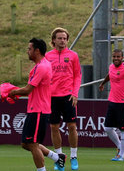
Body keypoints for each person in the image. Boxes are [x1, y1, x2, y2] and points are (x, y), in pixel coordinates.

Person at [9, 38, 66, 171]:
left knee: (33, 143)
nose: (27, 51)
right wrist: (15, 92)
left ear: (37, 50)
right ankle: (58, 157)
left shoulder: (42, 67)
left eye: (29, 49)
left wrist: (12, 92)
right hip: (37, 109)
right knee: (25, 143)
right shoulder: (42, 65)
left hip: (38, 110)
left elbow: (28, 89)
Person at [45, 28, 81, 171]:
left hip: (68, 96)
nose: (62, 41)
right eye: (59, 38)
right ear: (54, 40)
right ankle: (59, 157)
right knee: (54, 127)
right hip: (51, 97)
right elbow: (43, 75)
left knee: (72, 126)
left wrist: (75, 93)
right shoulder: (47, 56)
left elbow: (77, 76)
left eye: (65, 38)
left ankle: (73, 156)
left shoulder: (73, 56)